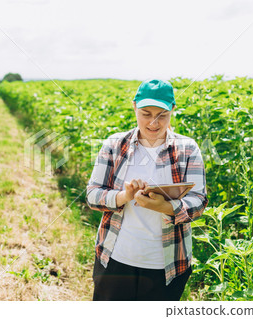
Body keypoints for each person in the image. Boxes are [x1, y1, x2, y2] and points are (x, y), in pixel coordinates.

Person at [86, 79, 208, 301]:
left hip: (167, 265)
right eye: (146, 113)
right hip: (115, 259)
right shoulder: (114, 145)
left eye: (162, 114)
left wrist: (166, 207)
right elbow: (93, 195)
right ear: (134, 107)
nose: (154, 122)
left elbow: (199, 201)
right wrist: (124, 196)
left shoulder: (187, 149)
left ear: (172, 109)